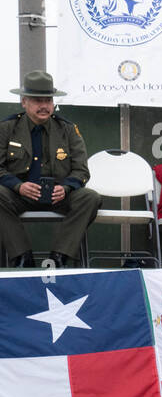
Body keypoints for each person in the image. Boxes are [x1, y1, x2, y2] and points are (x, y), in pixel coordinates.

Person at [0, 71, 100, 267]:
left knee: (90, 197)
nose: (44, 106)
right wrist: (18, 186)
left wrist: (66, 188)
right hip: (19, 195)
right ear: (24, 102)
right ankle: (22, 258)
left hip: (59, 196)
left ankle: (58, 257)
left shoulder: (68, 129)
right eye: (37, 101)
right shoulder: (7, 128)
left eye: (48, 100)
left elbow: (81, 171)